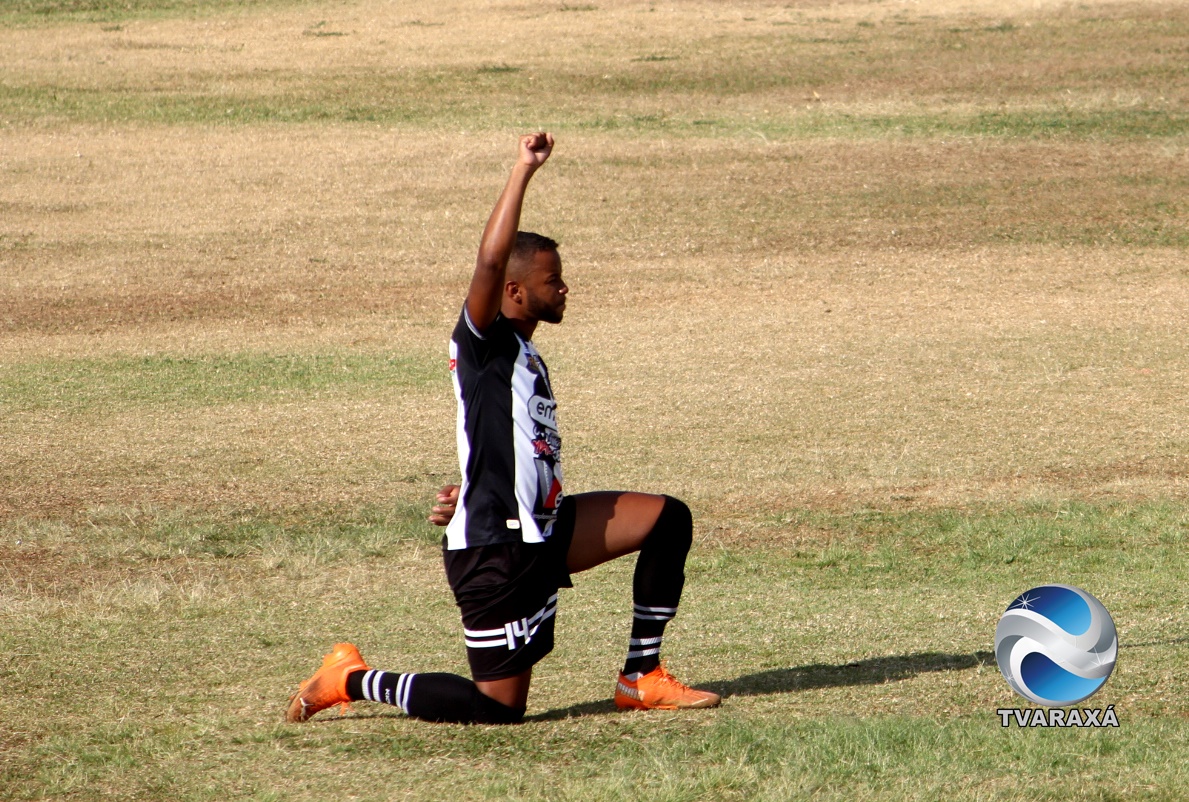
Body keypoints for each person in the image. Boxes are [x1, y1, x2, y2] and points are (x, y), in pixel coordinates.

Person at [286, 133, 719, 725]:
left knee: (669, 518)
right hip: (496, 547)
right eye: (551, 280)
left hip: (541, 530)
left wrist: (473, 482)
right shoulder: (484, 340)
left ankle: (641, 677)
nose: (563, 287)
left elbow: (500, 440)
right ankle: (351, 678)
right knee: (498, 710)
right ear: (513, 291)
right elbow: (489, 261)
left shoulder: (524, 354)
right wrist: (523, 170)